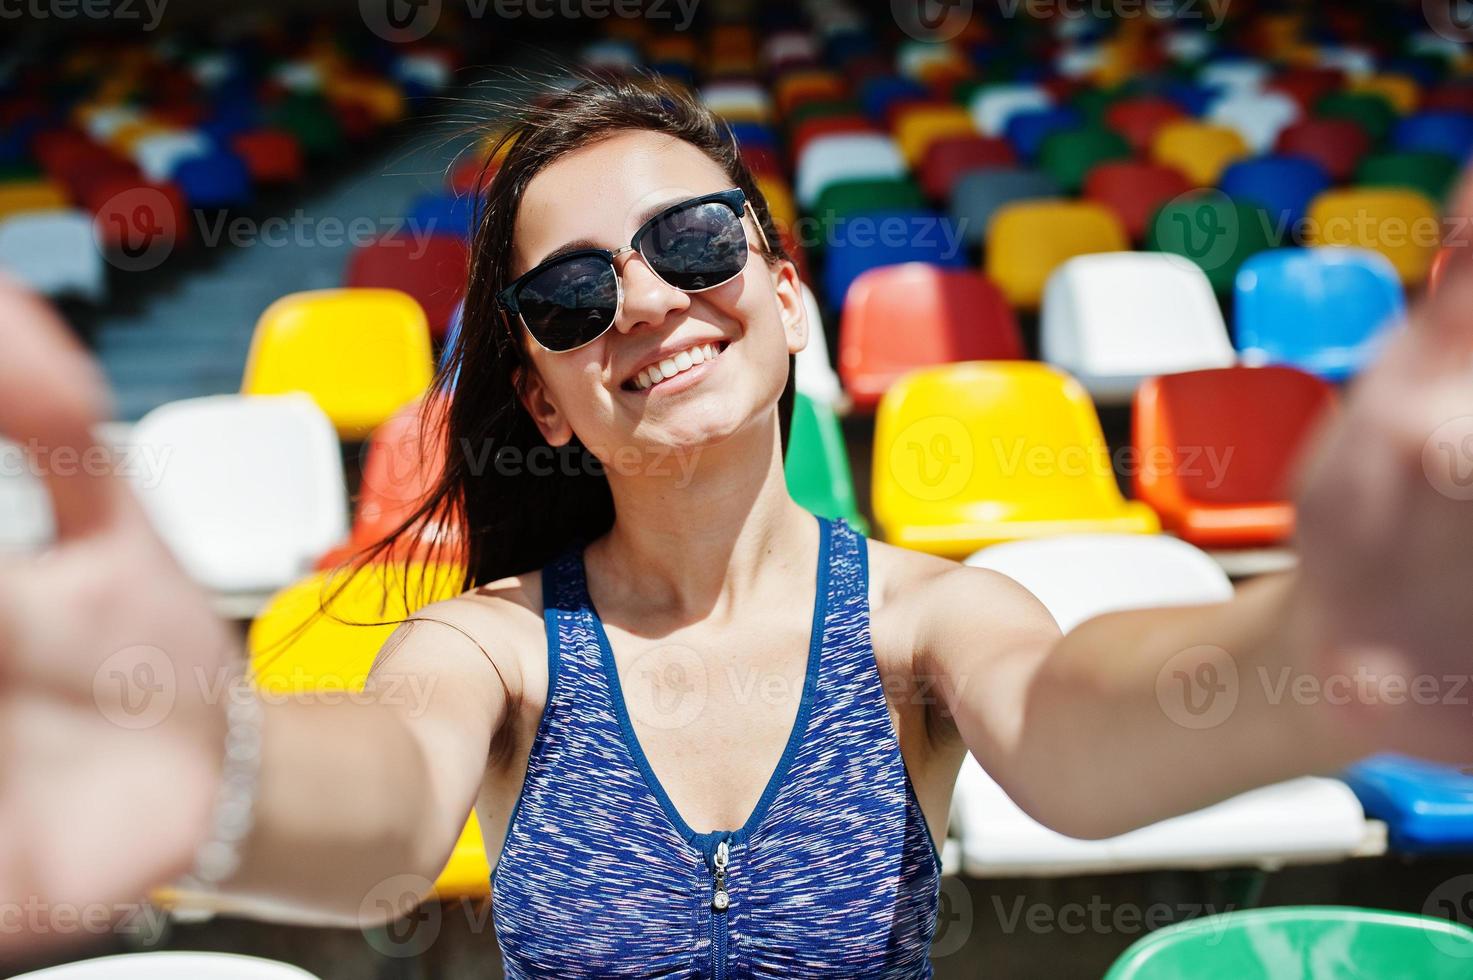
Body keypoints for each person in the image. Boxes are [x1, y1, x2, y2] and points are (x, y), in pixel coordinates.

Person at [1, 73, 1471, 977]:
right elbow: (384, 820)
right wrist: (210, 757)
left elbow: (1076, 746)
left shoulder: (928, 621)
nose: (640, 301)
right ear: (549, 395)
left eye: (692, 243)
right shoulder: (492, 646)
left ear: (786, 298)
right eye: (571, 296)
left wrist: (1321, 645)